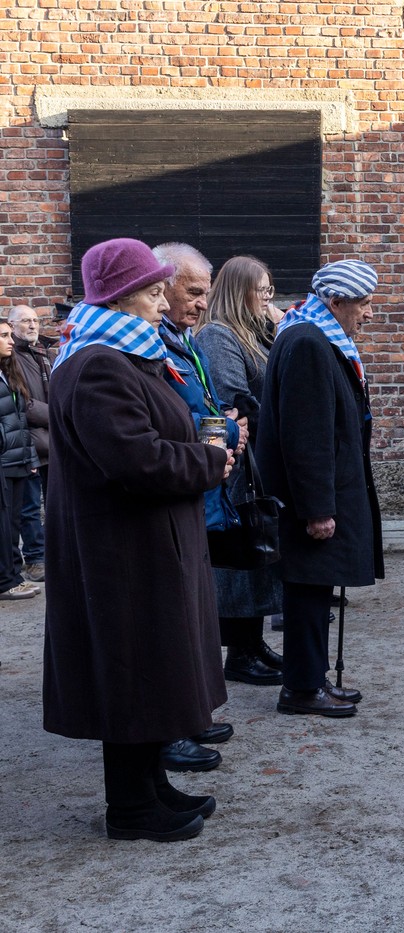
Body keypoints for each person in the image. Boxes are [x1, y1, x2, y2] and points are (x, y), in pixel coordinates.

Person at [43, 237, 232, 841]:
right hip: (121, 554)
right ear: (121, 297)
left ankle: (152, 787)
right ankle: (130, 809)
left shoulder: (126, 356)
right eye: (152, 292)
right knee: (132, 672)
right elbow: (137, 460)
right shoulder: (98, 365)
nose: (162, 302)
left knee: (155, 669)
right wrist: (209, 461)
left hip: (143, 544)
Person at [257, 259, 384, 718]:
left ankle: (312, 678)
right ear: (334, 301)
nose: (369, 313)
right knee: (308, 592)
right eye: (363, 303)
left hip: (319, 493)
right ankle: (302, 688)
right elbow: (306, 435)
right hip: (310, 500)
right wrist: (317, 509)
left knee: (313, 590)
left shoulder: (311, 334)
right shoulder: (310, 342)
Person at [151, 242, 251, 772]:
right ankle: (169, 728)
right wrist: (225, 429)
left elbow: (200, 406)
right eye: (192, 292)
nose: (202, 304)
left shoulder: (183, 339)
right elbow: (164, 421)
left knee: (196, 611)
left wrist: (225, 423)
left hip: (200, 485)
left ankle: (189, 712)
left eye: (205, 294)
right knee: (174, 618)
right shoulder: (150, 345)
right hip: (176, 486)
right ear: (160, 286)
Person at [194, 256, 285, 689]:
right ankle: (241, 652)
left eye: (270, 290)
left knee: (255, 557)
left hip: (254, 460)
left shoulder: (249, 332)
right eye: (261, 290)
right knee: (239, 558)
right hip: (236, 463)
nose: (268, 298)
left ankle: (253, 643)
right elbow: (234, 402)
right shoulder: (218, 335)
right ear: (238, 291)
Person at [0, 320, 41, 601]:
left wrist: (30, 457)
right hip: (3, 460)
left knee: (13, 523)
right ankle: (5, 581)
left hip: (18, 460)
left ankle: (14, 576)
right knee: (3, 524)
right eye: (4, 336)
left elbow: (22, 420)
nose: (11, 340)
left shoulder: (8, 372)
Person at [9, 304, 50, 581]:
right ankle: (36, 558)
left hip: (52, 440)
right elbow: (23, 403)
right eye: (25, 321)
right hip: (29, 444)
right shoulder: (10, 358)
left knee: (54, 503)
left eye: (35, 320)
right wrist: (59, 414)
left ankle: (51, 553)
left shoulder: (43, 354)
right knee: (30, 506)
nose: (33, 325)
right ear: (12, 326)